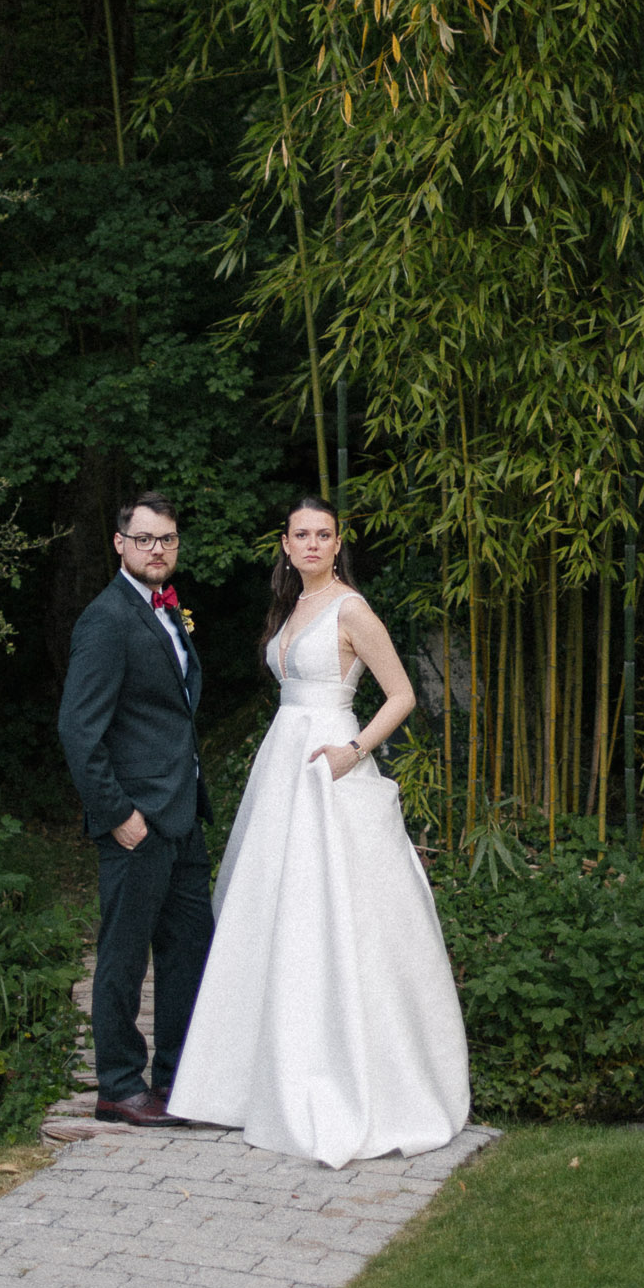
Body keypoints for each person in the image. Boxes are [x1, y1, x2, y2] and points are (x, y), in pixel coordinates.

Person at [169, 495, 471, 1166]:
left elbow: (401, 694)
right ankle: (250, 1082)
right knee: (270, 911)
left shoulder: (351, 608)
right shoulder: (289, 609)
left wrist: (353, 750)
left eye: (322, 534)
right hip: (283, 759)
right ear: (284, 544)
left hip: (329, 759)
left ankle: (344, 1077)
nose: (311, 544)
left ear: (338, 544)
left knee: (328, 912)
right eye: (300, 534)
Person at [57, 490, 213, 1126]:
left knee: (188, 952)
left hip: (182, 815)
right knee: (123, 958)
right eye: (145, 539)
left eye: (167, 539)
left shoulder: (167, 612)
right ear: (120, 543)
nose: (158, 550)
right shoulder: (107, 618)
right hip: (137, 822)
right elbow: (78, 729)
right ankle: (119, 1085)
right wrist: (118, 813)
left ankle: (178, 1080)